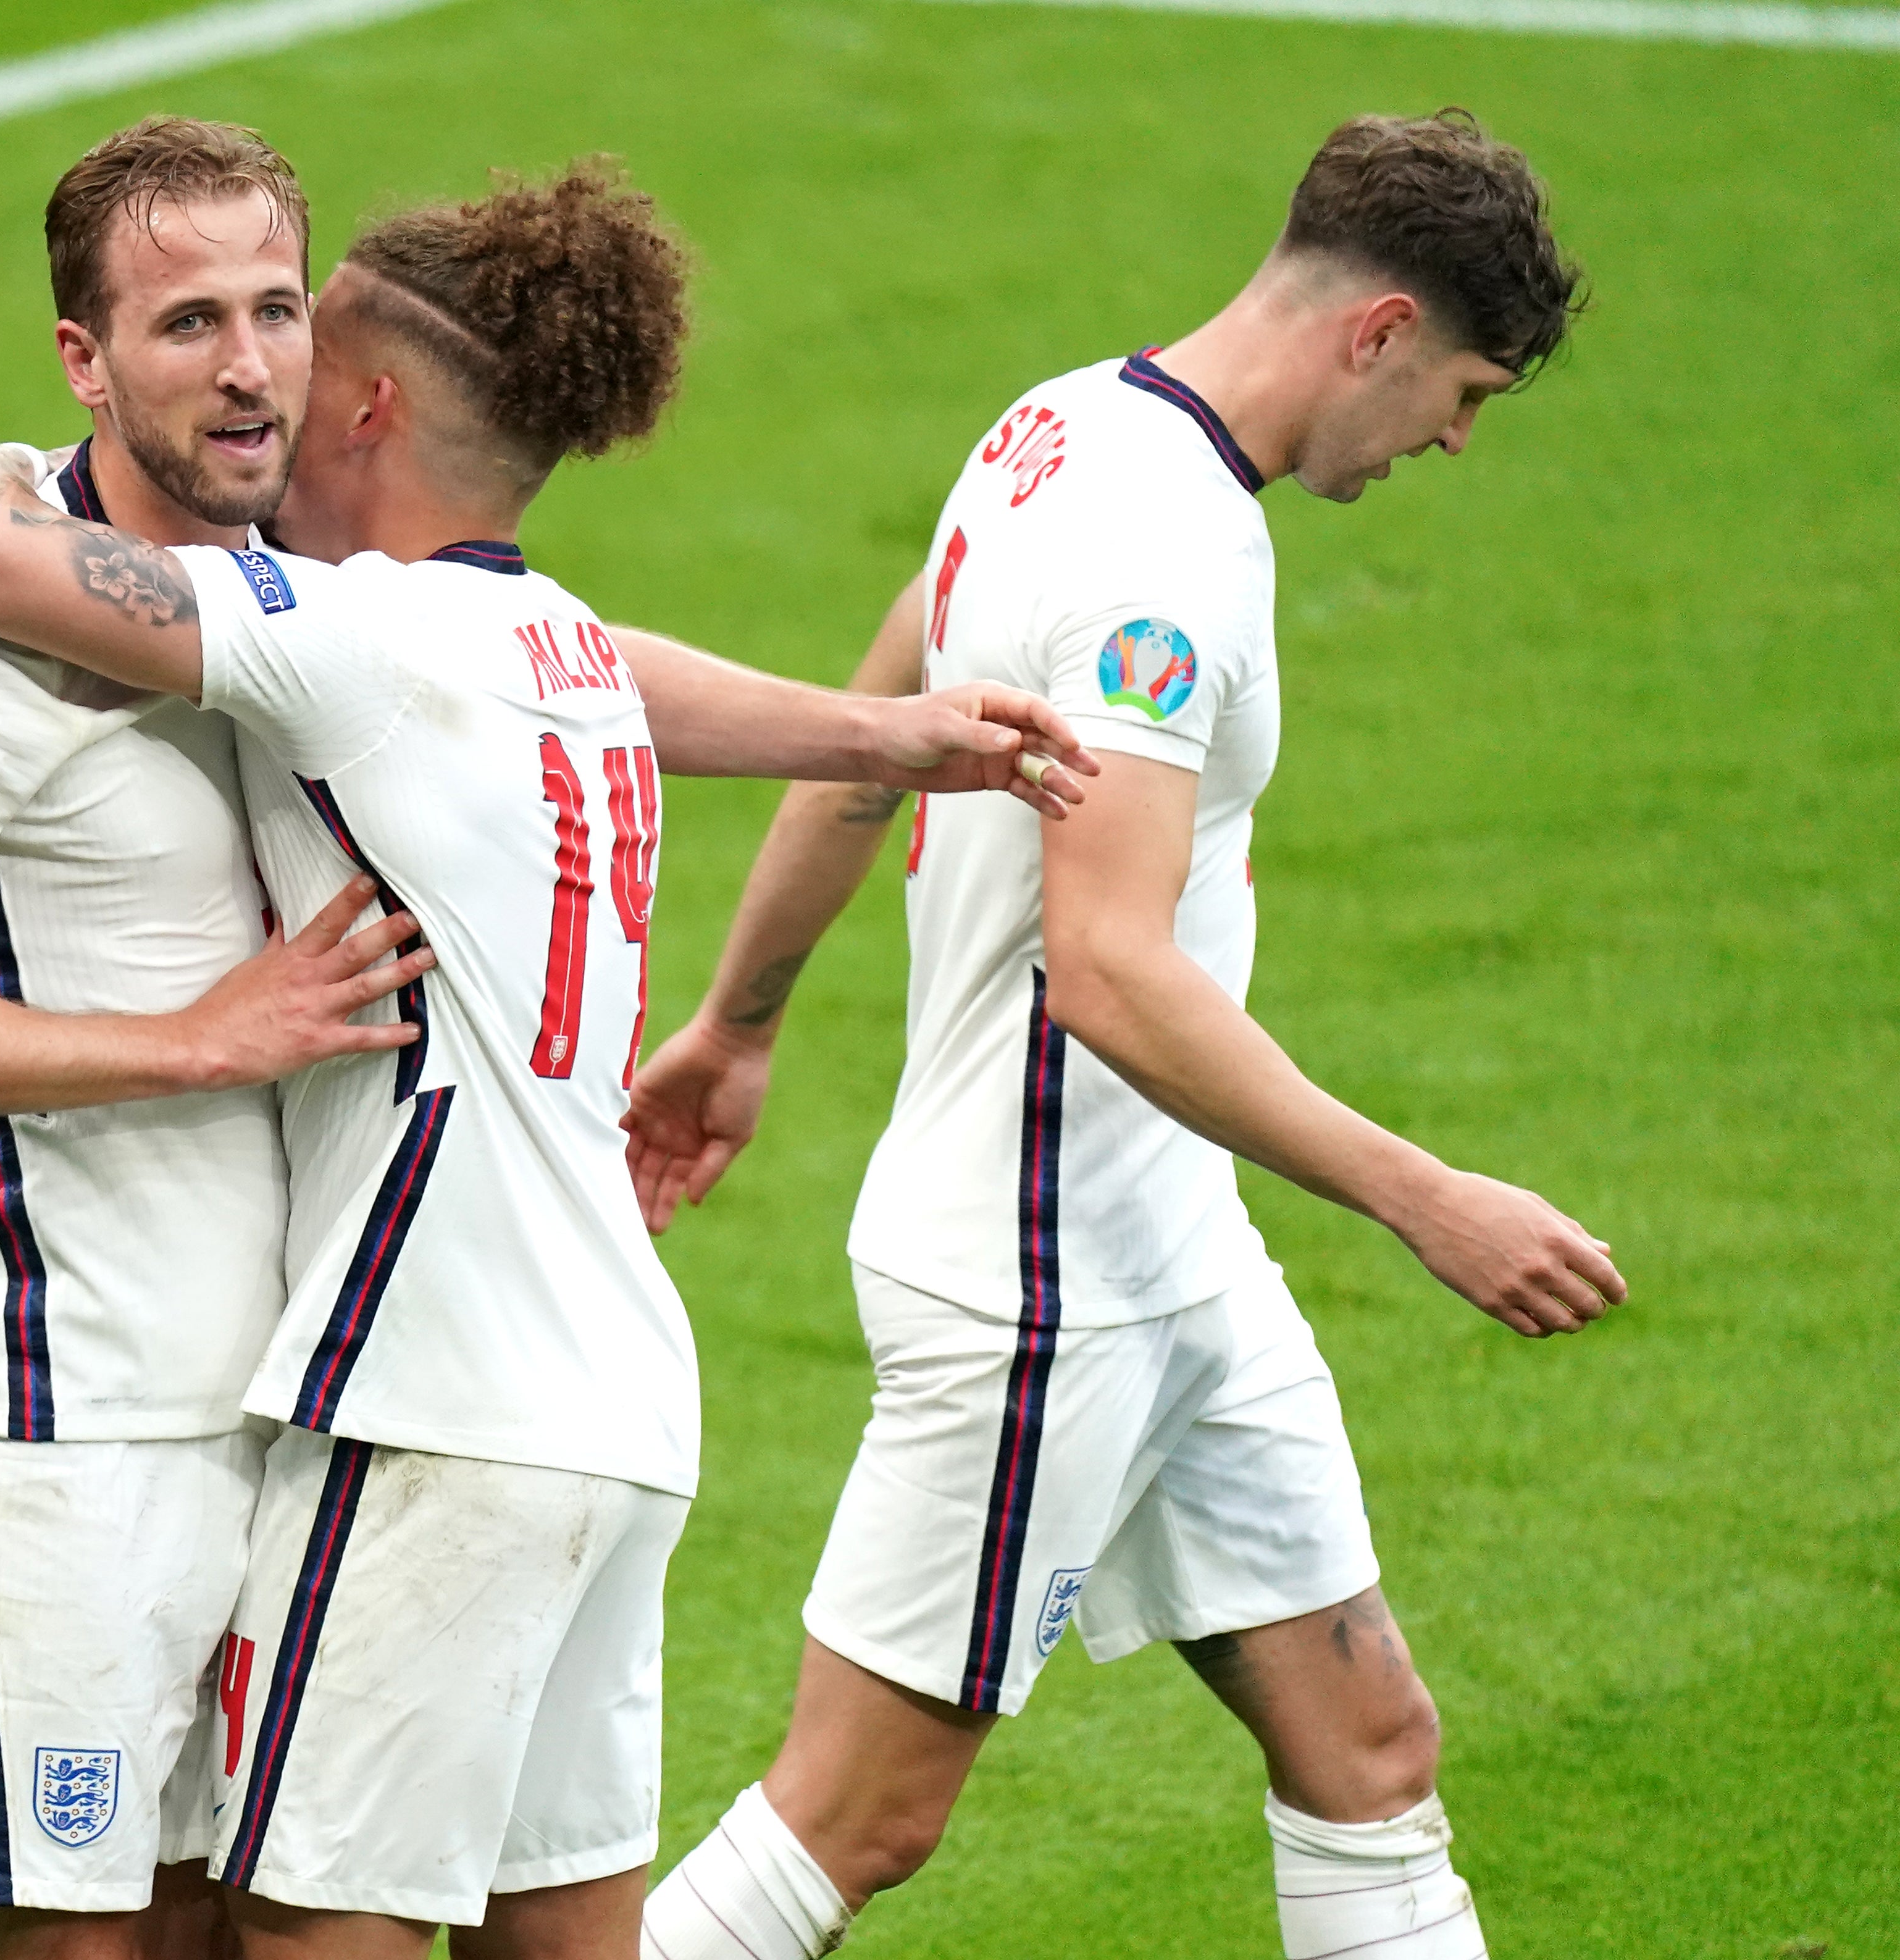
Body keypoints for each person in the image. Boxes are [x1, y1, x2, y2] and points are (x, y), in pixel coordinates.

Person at [0, 164, 1095, 1960]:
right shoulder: (542, 645)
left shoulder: (355, 645)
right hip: (616, 1399)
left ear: (368, 400)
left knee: (305, 1937)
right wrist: (885, 733)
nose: (264, 385)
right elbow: (621, 668)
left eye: (297, 331)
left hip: (431, 1407)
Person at [623, 111, 1619, 1960]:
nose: (1457, 444)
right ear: (1380, 329)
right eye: (1466, 394)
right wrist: (1427, 1200)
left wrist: (737, 1019)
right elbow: (1112, 968)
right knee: (855, 1818)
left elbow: (880, 717)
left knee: (1371, 1745)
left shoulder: (1058, 419)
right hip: (1042, 1276)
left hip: (1168, 1252)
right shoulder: (1166, 550)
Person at [0, 117, 429, 1960]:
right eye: (189, 323)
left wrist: (881, 740)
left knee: (254, 1935)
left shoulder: (295, 582)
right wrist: (203, 1039)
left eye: (281, 311)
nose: (249, 370)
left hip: (296, 1416)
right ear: (84, 359)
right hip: (65, 1436)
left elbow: (565, 660)